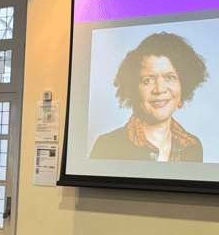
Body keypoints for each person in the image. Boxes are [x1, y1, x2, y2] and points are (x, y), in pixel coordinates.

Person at [89, 32, 208, 162]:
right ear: (133, 88)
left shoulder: (193, 147)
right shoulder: (108, 146)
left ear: (183, 86)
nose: (160, 89)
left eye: (170, 77)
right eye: (148, 80)